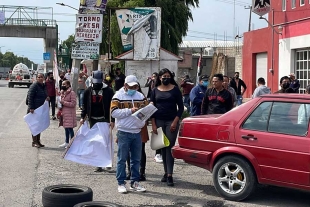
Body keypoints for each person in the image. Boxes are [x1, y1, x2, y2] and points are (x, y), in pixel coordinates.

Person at [111, 75, 148, 193]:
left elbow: (146, 110)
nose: (134, 88)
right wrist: (129, 111)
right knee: (122, 159)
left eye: (135, 86)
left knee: (136, 159)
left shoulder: (140, 96)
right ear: (125, 85)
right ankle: (121, 183)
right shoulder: (118, 96)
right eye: (131, 86)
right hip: (124, 132)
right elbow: (114, 113)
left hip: (137, 131)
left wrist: (145, 114)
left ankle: (135, 182)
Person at [151, 68, 184, 187]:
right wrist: (153, 124)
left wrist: (175, 122)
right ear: (159, 78)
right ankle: (165, 172)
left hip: (171, 121)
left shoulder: (175, 90)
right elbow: (152, 108)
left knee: (169, 147)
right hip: (158, 121)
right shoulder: (154, 90)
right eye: (163, 76)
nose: (165, 78)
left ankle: (170, 175)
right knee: (162, 147)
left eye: (167, 76)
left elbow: (180, 108)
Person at [81, 70, 115, 172]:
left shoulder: (108, 91)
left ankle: (108, 162)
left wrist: (112, 120)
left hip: (104, 119)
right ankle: (98, 164)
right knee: (95, 143)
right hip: (92, 120)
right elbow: (85, 106)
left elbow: (112, 107)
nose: (97, 83)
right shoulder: (88, 91)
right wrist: (83, 117)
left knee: (106, 142)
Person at [124, 83, 149, 181]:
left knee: (141, 150)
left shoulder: (142, 98)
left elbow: (147, 112)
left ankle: (142, 173)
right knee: (128, 150)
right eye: (130, 87)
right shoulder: (124, 98)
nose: (132, 89)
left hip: (140, 126)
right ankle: (130, 172)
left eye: (134, 87)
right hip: (128, 126)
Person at [27, 73, 49, 148]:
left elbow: (45, 94)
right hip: (34, 109)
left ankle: (38, 141)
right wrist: (31, 108)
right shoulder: (34, 86)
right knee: (35, 126)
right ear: (36, 78)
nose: (40, 78)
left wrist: (47, 97)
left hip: (40, 109)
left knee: (39, 126)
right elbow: (30, 97)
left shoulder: (43, 86)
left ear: (44, 78)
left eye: (41, 77)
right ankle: (34, 142)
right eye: (38, 77)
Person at [145, 72, 162, 163]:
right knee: (158, 134)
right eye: (154, 76)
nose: (154, 78)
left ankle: (165, 153)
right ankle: (158, 153)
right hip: (157, 115)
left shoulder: (172, 89)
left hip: (168, 116)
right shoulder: (155, 89)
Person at [58, 80, 77, 148]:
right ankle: (66, 142)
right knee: (66, 128)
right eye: (62, 84)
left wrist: (63, 102)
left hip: (70, 114)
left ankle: (72, 143)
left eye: (64, 84)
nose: (63, 85)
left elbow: (73, 103)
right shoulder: (63, 93)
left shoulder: (72, 93)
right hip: (64, 113)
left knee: (70, 129)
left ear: (68, 85)